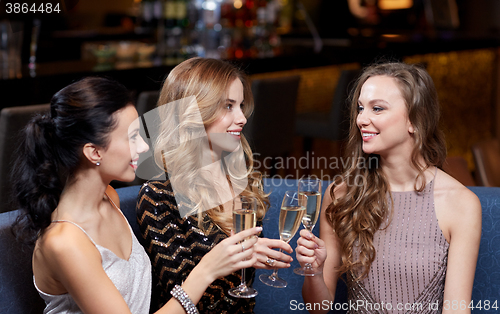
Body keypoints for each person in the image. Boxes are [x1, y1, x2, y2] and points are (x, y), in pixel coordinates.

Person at [12, 76, 262, 314]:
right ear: (94, 153)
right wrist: (206, 270)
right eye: (132, 137)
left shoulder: (110, 198)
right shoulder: (65, 243)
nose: (143, 147)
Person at [296, 62, 481, 314]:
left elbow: (457, 309)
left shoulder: (460, 203)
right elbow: (319, 308)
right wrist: (314, 272)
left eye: (377, 108)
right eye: (361, 108)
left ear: (415, 119)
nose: (362, 119)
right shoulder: (341, 195)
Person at [136, 57, 293, 313]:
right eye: (228, 106)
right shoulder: (160, 198)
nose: (242, 118)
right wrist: (221, 262)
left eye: (241, 105)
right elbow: (187, 303)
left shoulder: (242, 183)